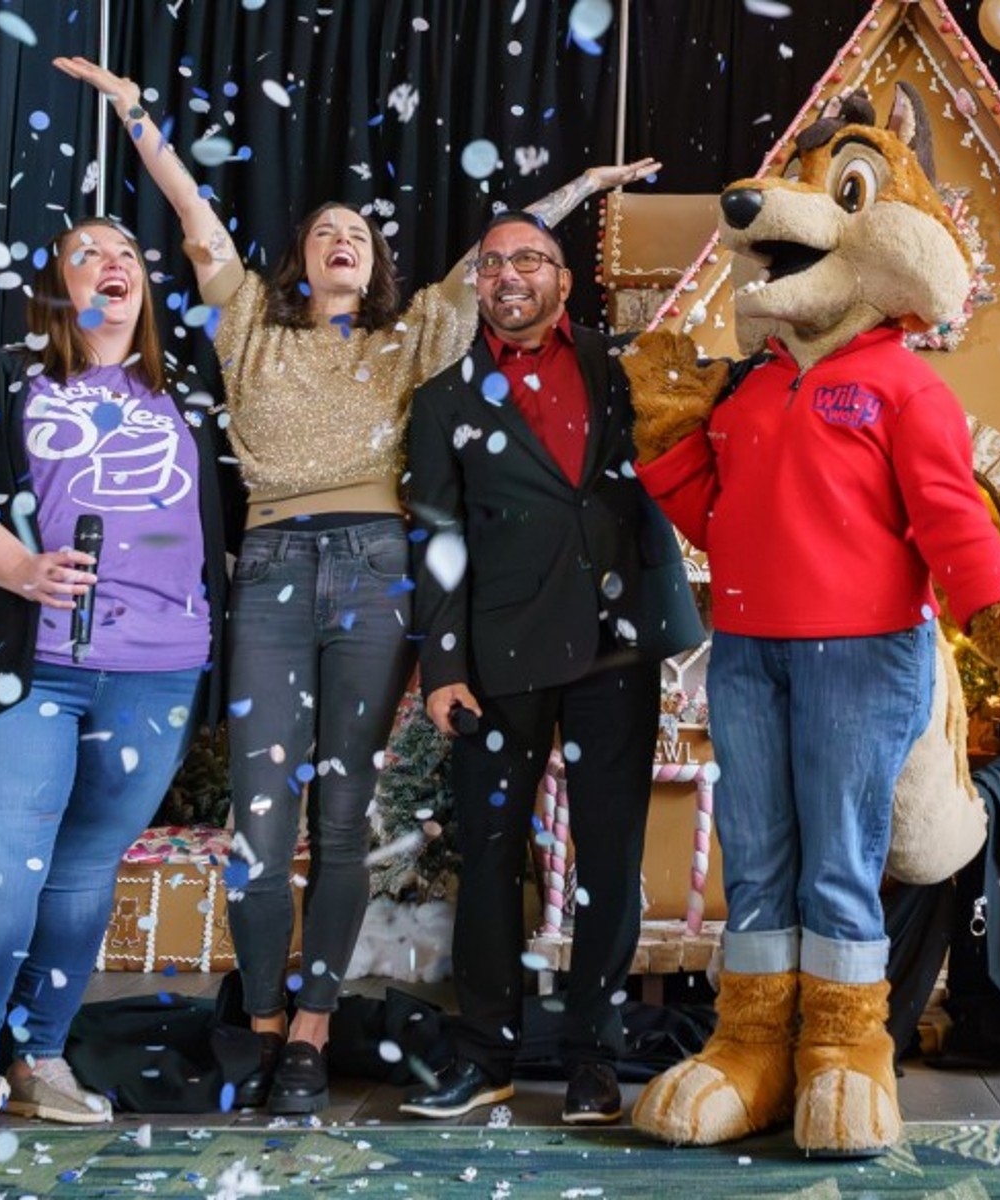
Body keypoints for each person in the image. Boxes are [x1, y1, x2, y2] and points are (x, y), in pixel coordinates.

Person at [55, 54, 658, 1116]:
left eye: (362, 233)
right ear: (300, 254)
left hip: (377, 575)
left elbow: (500, 257)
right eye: (327, 228)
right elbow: (195, 217)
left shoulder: (414, 335)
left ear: (376, 263)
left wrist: (579, 194)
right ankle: (257, 1028)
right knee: (258, 819)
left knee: (340, 817)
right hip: (277, 572)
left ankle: (313, 1030)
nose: (345, 238)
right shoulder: (246, 317)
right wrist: (136, 116)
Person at [399, 211, 704, 1124]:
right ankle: (486, 1053)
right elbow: (438, 541)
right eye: (492, 263)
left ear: (564, 281)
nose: (507, 275)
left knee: (608, 858)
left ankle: (594, 1060)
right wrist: (442, 662)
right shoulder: (444, 402)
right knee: (490, 857)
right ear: (479, 285)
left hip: (616, 641)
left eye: (527, 258)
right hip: (499, 657)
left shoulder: (625, 367)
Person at [0, 216, 229, 1148]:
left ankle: (40, 1062)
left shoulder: (186, 395)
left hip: (160, 671)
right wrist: (15, 568)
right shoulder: (6, 378)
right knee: (0, 876)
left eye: (127, 256)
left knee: (80, 876)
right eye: (89, 253)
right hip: (31, 665)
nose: (113, 266)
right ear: (54, 285)